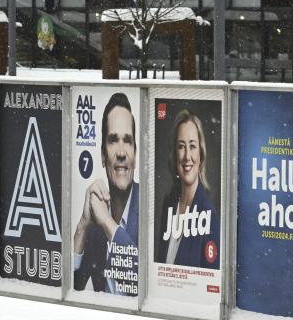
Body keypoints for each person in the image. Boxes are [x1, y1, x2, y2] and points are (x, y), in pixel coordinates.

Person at [73, 93, 140, 296]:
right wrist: (83, 226)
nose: (121, 152)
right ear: (103, 156)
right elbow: (69, 286)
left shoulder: (150, 208)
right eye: (113, 140)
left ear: (135, 154)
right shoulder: (96, 220)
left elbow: (142, 282)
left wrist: (108, 225)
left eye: (127, 141)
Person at [155, 109, 220, 268]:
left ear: (201, 154)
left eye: (192, 146)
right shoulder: (169, 204)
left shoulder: (208, 214)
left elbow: (210, 281)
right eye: (181, 146)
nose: (187, 156)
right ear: (174, 154)